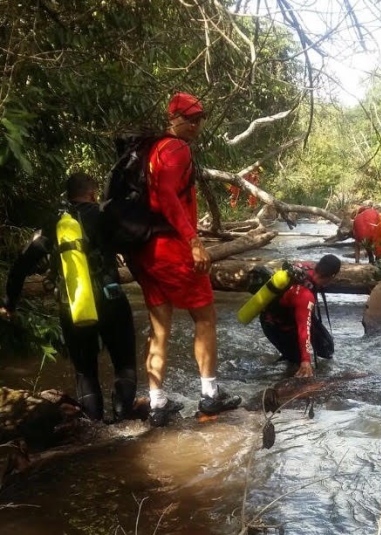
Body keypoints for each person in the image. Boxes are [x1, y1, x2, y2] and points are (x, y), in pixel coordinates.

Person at [128, 91, 240, 427]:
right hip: (173, 250)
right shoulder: (176, 148)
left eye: (199, 118)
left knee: (160, 328)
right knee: (205, 318)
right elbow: (165, 195)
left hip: (147, 250)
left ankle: (157, 402)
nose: (196, 125)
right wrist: (193, 241)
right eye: (189, 118)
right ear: (173, 117)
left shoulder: (152, 149)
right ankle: (210, 394)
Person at [0, 173, 138, 422]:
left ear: (69, 195)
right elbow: (135, 245)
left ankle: (94, 429)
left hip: (72, 304)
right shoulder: (105, 215)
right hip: (112, 299)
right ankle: (124, 422)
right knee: (124, 364)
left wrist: (9, 303)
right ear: (92, 194)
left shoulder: (54, 223)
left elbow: (21, 266)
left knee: (85, 372)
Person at [258, 255, 341, 378]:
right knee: (296, 363)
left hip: (291, 313)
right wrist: (305, 360)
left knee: (326, 347)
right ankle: (276, 372)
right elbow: (303, 330)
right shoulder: (305, 296)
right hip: (275, 324)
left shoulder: (306, 267)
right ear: (332, 276)